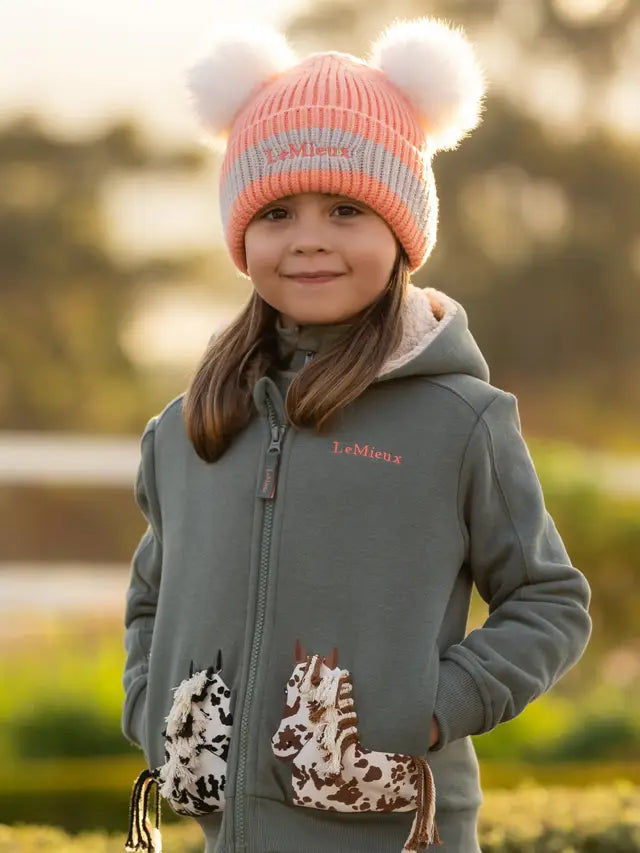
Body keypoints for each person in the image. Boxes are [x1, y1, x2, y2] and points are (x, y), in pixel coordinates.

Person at [120, 15, 592, 853]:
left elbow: (549, 600)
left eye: (345, 208)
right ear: (242, 236)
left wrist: (430, 707)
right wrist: (149, 703)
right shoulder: (188, 427)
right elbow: (153, 594)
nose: (309, 239)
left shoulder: (461, 422)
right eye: (277, 211)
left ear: (402, 229)